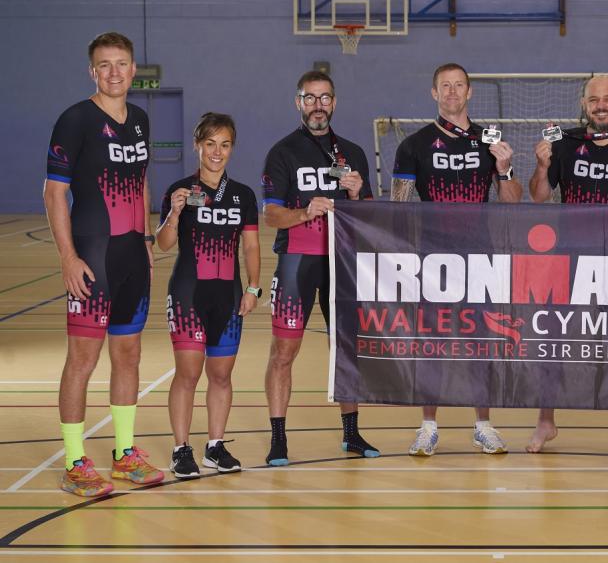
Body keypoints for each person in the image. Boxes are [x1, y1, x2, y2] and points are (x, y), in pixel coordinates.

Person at [43, 31, 164, 496]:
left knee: (128, 355)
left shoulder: (140, 121)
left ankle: (124, 455)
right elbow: (54, 192)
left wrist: (147, 238)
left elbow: (142, 180)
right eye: (104, 65)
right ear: (92, 72)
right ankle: (75, 460)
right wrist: (68, 257)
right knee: (83, 360)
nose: (114, 72)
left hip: (132, 254)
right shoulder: (75, 120)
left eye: (122, 64)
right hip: (92, 256)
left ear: (134, 70)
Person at [391, 62, 523, 456]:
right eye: (444, 86)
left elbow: (513, 201)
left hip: (479, 258)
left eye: (458, 85)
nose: (451, 92)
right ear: (434, 93)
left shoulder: (490, 141)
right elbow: (398, 207)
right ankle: (428, 426)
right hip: (432, 259)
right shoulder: (413, 145)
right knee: (431, 342)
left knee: (481, 341)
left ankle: (483, 425)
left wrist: (504, 168)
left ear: (470, 92)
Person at [525, 74, 608, 456]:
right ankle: (546, 422)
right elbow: (539, 197)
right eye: (594, 99)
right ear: (584, 105)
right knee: (553, 340)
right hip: (567, 259)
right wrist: (540, 165)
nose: (601, 105)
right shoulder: (563, 143)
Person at [261, 70, 379, 465]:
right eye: (309, 98)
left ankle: (351, 434)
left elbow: (370, 217)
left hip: (341, 264)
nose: (317, 105)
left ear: (334, 102)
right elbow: (271, 216)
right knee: (284, 351)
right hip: (297, 262)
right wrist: (303, 212)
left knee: (345, 350)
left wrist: (357, 193)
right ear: (299, 102)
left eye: (324, 97)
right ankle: (279, 438)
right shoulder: (283, 152)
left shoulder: (353, 152)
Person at [157, 112, 261, 477]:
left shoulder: (243, 195)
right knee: (188, 373)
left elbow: (250, 246)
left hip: (228, 296)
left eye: (225, 144)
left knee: (221, 375)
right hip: (188, 294)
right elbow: (163, 244)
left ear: (232, 148)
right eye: (210, 144)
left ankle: (215, 447)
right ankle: (180, 449)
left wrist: (252, 287)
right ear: (198, 145)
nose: (217, 152)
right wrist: (174, 212)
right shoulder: (180, 189)